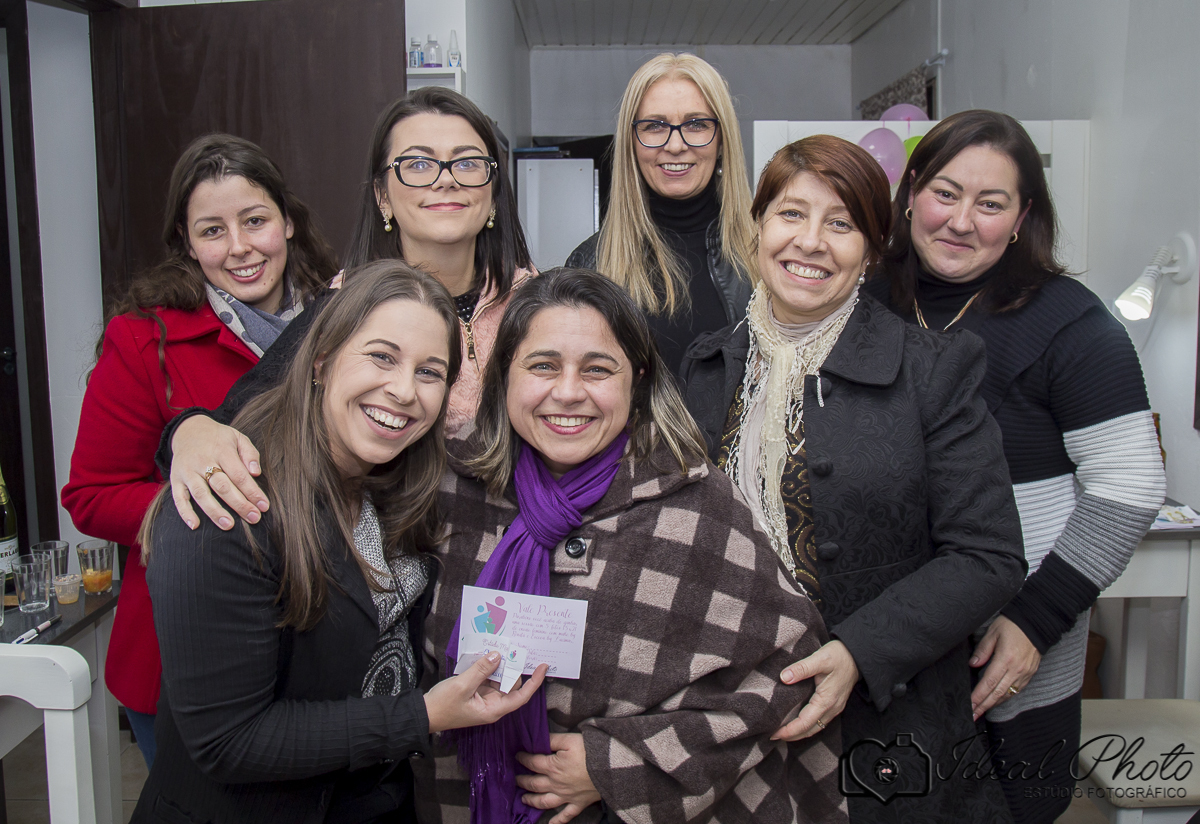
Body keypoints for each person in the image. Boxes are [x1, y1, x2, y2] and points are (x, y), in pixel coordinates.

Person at [416, 269, 847, 824]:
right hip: (455, 800)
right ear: (503, 375)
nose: (568, 392)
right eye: (543, 365)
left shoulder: (697, 505)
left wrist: (615, 766)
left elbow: (783, 677)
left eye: (597, 369)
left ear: (637, 380)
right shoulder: (446, 487)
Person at [681, 135, 1027, 823]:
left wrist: (859, 653)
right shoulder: (708, 365)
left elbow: (987, 555)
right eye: (790, 214)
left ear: (871, 250)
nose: (810, 242)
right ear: (757, 228)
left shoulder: (932, 369)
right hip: (733, 715)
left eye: (840, 224)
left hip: (886, 725)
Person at [131, 262, 547, 824]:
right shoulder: (228, 508)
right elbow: (229, 742)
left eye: (429, 371)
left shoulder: (397, 484)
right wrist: (422, 716)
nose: (403, 391)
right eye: (381, 357)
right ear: (321, 360)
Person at [868, 109, 1166, 824]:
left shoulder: (1071, 323)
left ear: (1023, 216)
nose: (961, 221)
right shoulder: (867, 302)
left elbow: (1130, 483)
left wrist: (1036, 621)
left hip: (1009, 642)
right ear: (911, 191)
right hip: (885, 641)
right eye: (945, 193)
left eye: (991, 203)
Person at [60, 133, 339, 766]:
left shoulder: (340, 322)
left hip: (320, 636)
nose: (239, 246)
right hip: (184, 647)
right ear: (187, 244)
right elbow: (91, 496)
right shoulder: (143, 339)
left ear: (288, 222)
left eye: (255, 221)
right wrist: (212, 506)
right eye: (213, 230)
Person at [158, 86, 536, 532]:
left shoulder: (539, 304)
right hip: (402, 555)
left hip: (533, 554)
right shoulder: (339, 310)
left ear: (493, 190)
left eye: (467, 162)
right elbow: (241, 422)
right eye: (417, 164)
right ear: (382, 196)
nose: (445, 178)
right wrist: (188, 432)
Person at [566, 52, 756, 375]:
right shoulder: (589, 263)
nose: (676, 145)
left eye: (696, 124)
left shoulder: (764, 256)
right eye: (654, 126)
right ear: (632, 143)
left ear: (723, 140)